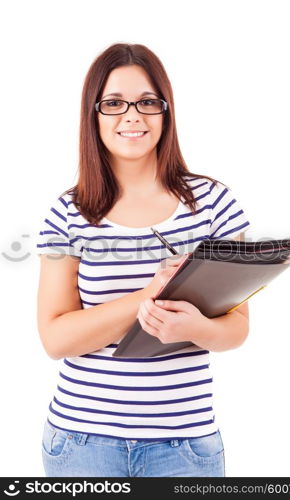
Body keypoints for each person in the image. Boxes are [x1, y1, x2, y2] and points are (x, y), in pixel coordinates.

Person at [36, 42, 251, 477]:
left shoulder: (213, 204)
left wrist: (197, 328)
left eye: (147, 102)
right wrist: (149, 295)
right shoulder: (67, 212)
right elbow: (55, 339)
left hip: (186, 446)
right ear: (92, 115)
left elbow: (238, 329)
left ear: (166, 112)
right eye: (113, 103)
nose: (132, 115)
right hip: (82, 443)